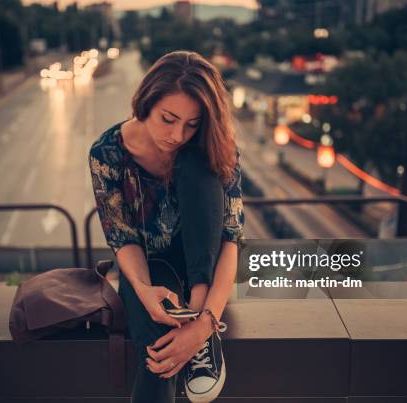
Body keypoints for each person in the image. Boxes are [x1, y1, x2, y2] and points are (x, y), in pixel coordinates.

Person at [89, 50, 244, 403]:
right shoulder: (107, 153)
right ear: (147, 102)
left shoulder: (216, 148)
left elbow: (230, 240)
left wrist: (203, 323)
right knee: (158, 357)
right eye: (168, 119)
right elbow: (122, 237)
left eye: (192, 124)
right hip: (150, 270)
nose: (177, 135)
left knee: (197, 165)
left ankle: (203, 336)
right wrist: (143, 290)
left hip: (207, 270)